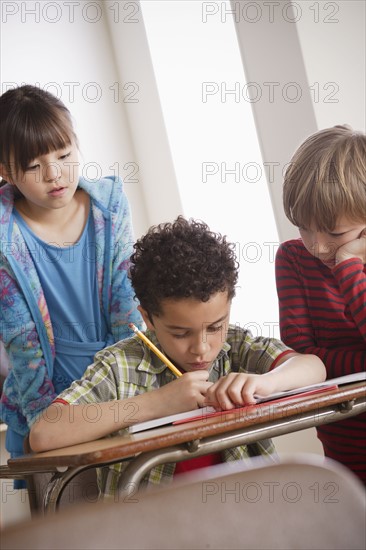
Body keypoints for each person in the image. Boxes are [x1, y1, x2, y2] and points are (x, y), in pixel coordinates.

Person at [30, 217, 326, 498]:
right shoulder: (121, 365)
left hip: (245, 523)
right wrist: (158, 403)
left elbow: (313, 367)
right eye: (181, 333)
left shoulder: (237, 347)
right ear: (147, 318)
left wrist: (264, 383)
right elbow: (45, 433)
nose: (201, 347)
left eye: (214, 327)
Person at [0, 85, 143, 468]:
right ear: (4, 170)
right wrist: (49, 425)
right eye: (33, 167)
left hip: (119, 390)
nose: (54, 174)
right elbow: (22, 345)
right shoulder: (4, 237)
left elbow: (126, 311)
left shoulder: (109, 208)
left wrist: (132, 397)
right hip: (47, 407)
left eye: (64, 155)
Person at [275, 124, 366, 484]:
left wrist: (349, 268)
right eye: (304, 228)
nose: (319, 246)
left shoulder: (343, 262)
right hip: (342, 443)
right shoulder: (292, 260)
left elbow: (324, 360)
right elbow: (304, 354)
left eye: (335, 233)